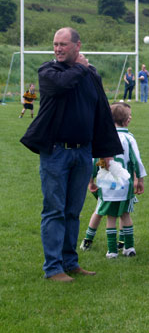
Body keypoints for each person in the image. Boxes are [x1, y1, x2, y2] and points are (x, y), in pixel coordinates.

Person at [20, 27, 123, 282]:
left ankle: (70, 262)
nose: (57, 49)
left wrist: (105, 151)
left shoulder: (90, 75)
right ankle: (53, 268)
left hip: (83, 153)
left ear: (77, 45)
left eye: (63, 44)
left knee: (73, 211)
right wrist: (82, 67)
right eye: (55, 44)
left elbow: (100, 111)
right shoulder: (49, 71)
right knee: (54, 209)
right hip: (56, 152)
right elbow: (62, 85)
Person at [80, 102, 146, 258]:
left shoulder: (102, 138)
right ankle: (129, 248)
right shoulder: (129, 138)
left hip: (107, 185)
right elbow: (137, 160)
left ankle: (112, 251)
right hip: (125, 184)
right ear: (126, 120)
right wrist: (140, 179)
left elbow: (95, 161)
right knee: (125, 214)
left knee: (110, 217)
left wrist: (91, 181)